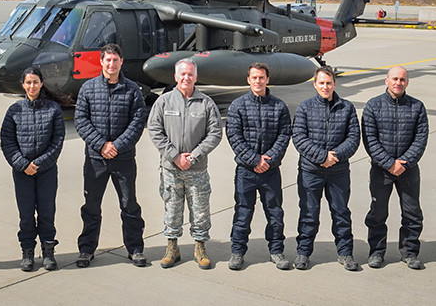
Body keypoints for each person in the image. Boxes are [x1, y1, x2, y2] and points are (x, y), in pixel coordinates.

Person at [74, 43, 148, 268]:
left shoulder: (132, 89)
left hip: (123, 159)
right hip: (96, 160)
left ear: (121, 62)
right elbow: (81, 120)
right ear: (101, 62)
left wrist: (116, 146)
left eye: (115, 60)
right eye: (108, 60)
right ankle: (86, 250)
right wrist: (101, 145)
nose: (111, 64)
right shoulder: (88, 88)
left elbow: (138, 121)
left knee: (129, 206)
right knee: (91, 206)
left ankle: (135, 249)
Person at [147, 58, 222, 270]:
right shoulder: (164, 102)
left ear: (196, 77)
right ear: (175, 77)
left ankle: (200, 247)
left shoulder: (206, 103)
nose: (186, 78)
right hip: (171, 169)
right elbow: (154, 129)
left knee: (200, 210)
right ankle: (172, 247)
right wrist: (174, 156)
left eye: (190, 74)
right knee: (172, 208)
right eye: (182, 74)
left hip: (196, 169)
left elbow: (215, 133)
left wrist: (194, 156)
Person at [292, 66, 360, 271]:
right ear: (315, 84)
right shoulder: (304, 108)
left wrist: (335, 156)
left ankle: (345, 253)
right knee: (309, 213)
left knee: (341, 212)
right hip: (310, 171)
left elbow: (354, 137)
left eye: (328, 83)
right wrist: (322, 157)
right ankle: (303, 253)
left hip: (338, 171)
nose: (325, 86)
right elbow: (299, 137)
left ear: (334, 84)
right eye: (321, 83)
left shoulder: (347, 108)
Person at [225, 63, 293, 271]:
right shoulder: (237, 106)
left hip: (271, 171)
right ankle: (237, 252)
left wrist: (269, 159)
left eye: (261, 77)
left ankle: (276, 250)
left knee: (275, 213)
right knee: (243, 213)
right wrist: (255, 160)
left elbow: (284, 135)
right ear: (248, 80)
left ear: (267, 79)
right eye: (254, 77)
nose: (258, 81)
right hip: (246, 171)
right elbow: (234, 136)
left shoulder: (279, 106)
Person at [362, 65, 429, 270]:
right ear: (386, 81)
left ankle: (409, 253)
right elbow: (370, 140)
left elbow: (421, 139)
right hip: (381, 170)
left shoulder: (417, 107)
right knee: (378, 213)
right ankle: (376, 253)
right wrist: (389, 163)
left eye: (402, 79)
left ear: (407, 82)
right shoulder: (373, 106)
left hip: (408, 170)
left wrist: (405, 162)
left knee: (412, 213)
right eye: (395, 79)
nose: (398, 83)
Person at [0, 67, 65, 272]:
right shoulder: (14, 111)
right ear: (23, 85)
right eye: (28, 82)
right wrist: (22, 164)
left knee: (46, 212)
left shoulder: (53, 110)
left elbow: (57, 141)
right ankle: (27, 250)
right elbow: (7, 142)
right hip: (22, 172)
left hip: (46, 171)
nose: (32, 86)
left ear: (41, 83)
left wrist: (40, 164)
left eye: (35, 82)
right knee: (26, 214)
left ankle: (48, 251)